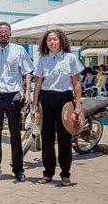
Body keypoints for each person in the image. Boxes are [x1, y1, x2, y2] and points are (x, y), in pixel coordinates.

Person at [32, 29, 83, 186]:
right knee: (46, 138)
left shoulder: (70, 58)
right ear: (45, 43)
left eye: (54, 39)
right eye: (48, 40)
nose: (51, 42)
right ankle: (48, 173)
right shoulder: (42, 59)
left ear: (61, 40)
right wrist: (34, 106)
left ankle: (65, 174)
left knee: (64, 139)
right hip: (46, 100)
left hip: (65, 100)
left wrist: (78, 106)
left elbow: (76, 83)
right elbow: (38, 83)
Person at [0, 22, 34, 182]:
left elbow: (27, 72)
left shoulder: (19, 50)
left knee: (15, 135)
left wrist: (27, 93)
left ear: (10, 33)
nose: (3, 34)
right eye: (0, 32)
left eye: (6, 32)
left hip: (14, 96)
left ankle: (18, 169)